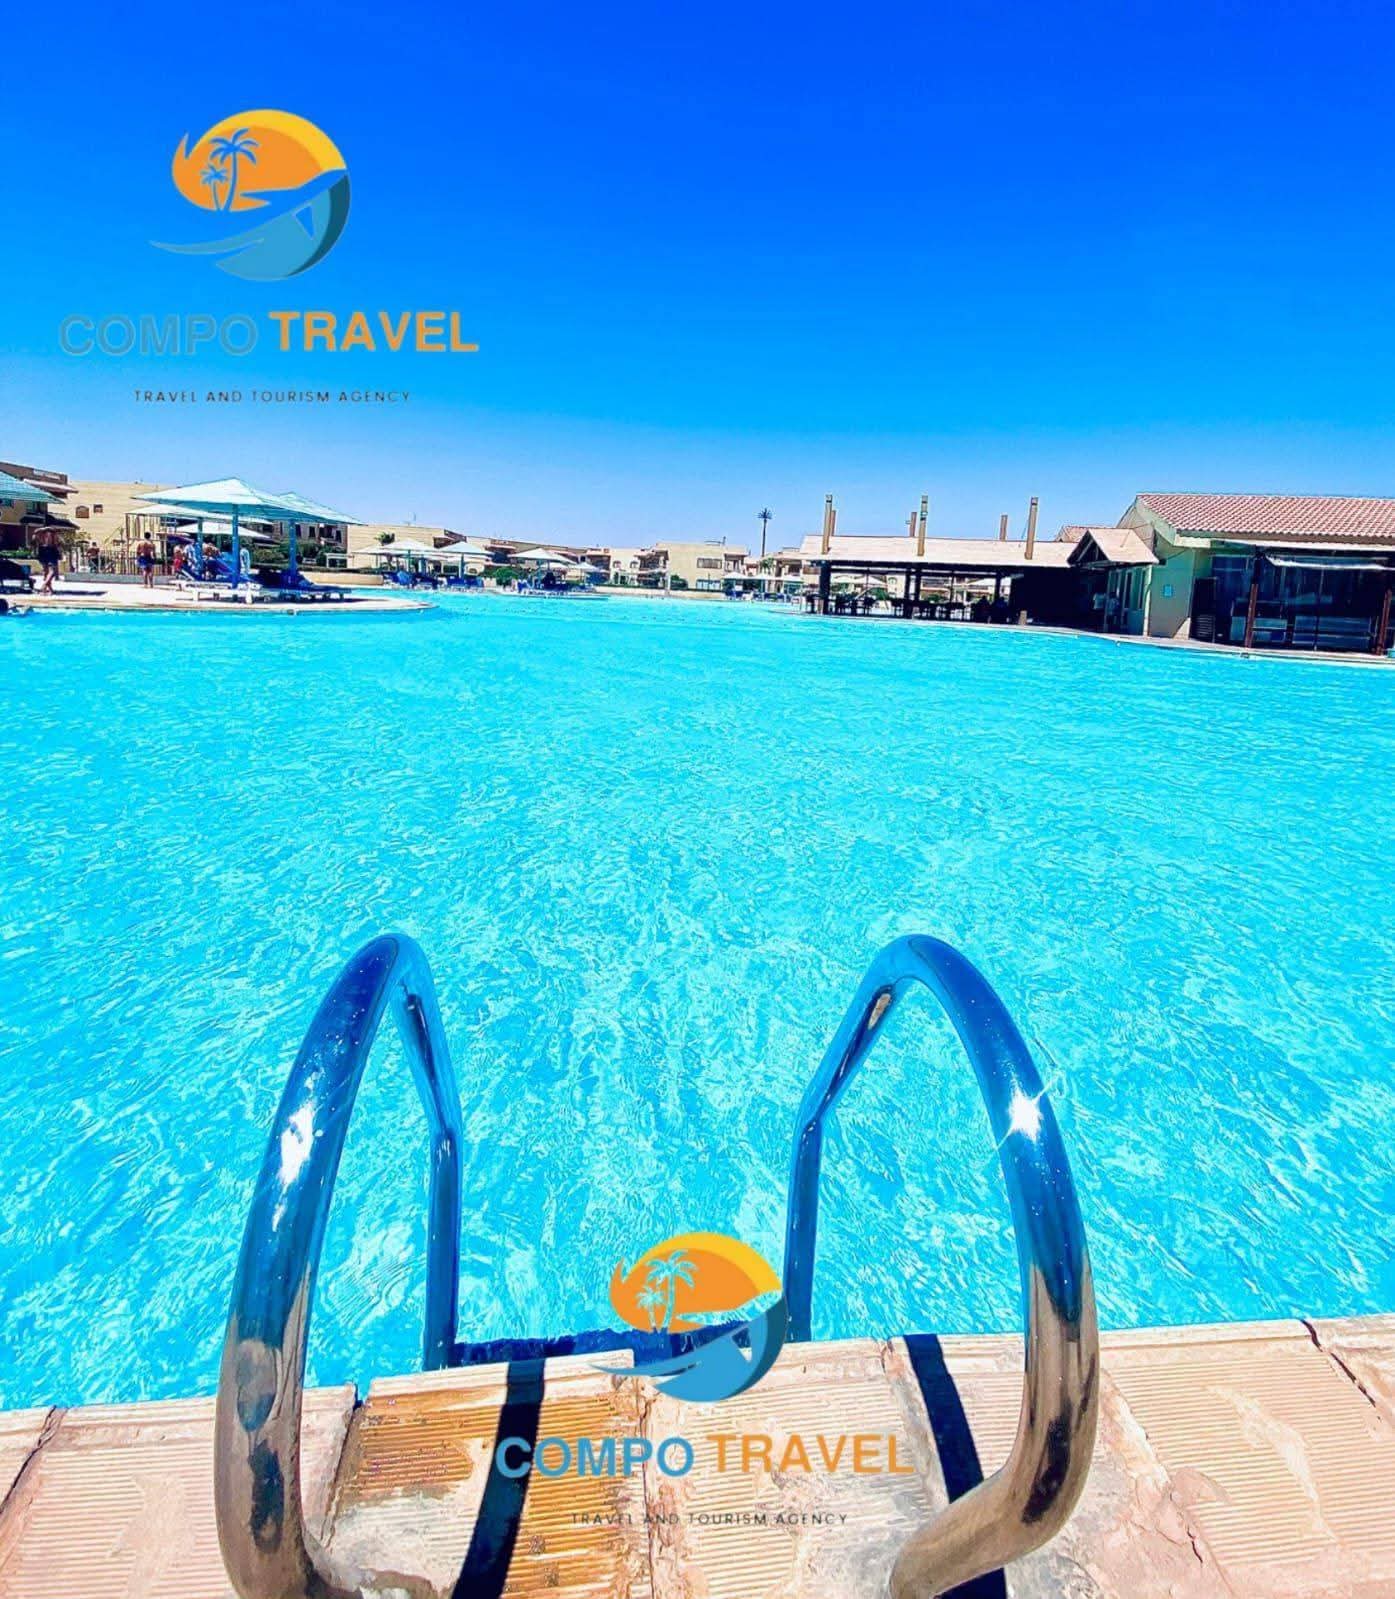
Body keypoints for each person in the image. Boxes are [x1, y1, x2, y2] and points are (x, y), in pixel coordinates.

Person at [35, 527, 61, 595]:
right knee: (52, 571)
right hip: (51, 550)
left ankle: (49, 590)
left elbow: (35, 540)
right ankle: (44, 586)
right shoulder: (53, 532)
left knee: (46, 572)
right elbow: (57, 543)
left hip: (42, 550)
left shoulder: (40, 532)